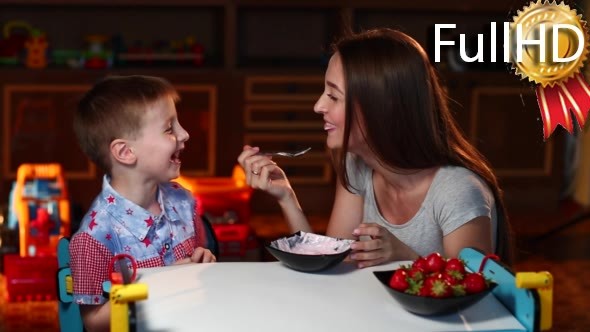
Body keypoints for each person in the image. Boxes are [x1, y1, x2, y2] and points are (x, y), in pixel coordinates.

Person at [238, 28, 512, 269]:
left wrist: (404, 255)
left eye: (333, 96)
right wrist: (287, 197)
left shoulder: (458, 191)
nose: (318, 106)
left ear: (381, 108)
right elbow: (336, 263)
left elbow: (470, 295)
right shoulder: (354, 165)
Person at [70, 75, 216, 332]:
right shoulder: (94, 239)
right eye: (169, 128)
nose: (185, 134)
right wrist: (158, 284)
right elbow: (93, 321)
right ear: (126, 152)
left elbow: (198, 263)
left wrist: (201, 259)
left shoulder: (183, 200)